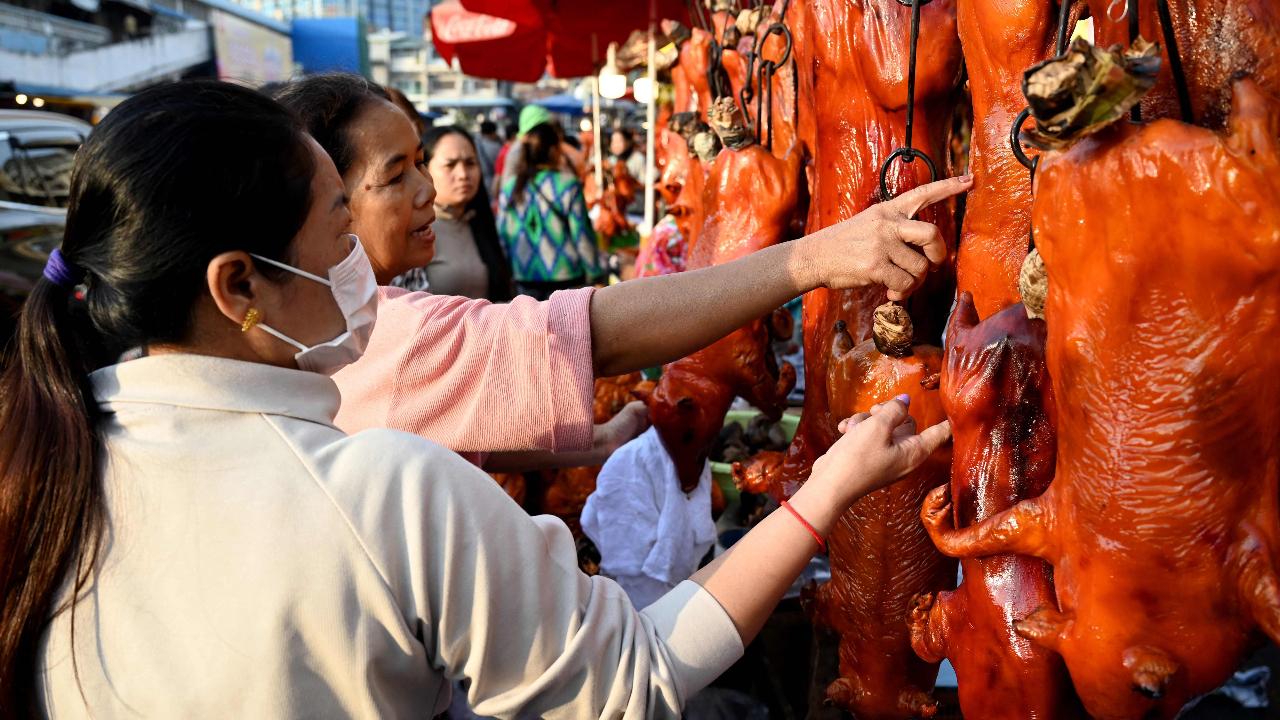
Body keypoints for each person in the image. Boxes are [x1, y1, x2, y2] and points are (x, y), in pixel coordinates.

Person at [7, 80, 953, 718]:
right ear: (237, 287)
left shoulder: (39, 464)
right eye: (342, 217)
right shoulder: (380, 495)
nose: (421, 197)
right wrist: (823, 491)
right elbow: (642, 677)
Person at [271, 73, 971, 473]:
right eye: (397, 176)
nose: (428, 189)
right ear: (326, 200)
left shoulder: (331, 327)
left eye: (426, 161)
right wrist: (818, 257)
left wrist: (590, 446)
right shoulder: (382, 334)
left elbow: (434, 438)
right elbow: (597, 329)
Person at [390, 126, 512, 301]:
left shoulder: (480, 223)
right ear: (424, 170)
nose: (463, 174)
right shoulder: (414, 232)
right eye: (450, 165)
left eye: (470, 163)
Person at [498, 120, 604, 299]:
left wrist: (508, 272)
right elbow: (581, 234)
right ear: (554, 149)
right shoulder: (568, 184)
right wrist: (594, 272)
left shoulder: (510, 186)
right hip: (566, 278)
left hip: (524, 277)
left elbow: (503, 234)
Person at [475, 119, 502, 187]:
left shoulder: (475, 143)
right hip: (492, 181)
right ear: (492, 133)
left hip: (480, 181)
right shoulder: (494, 147)